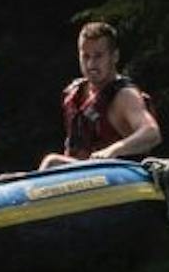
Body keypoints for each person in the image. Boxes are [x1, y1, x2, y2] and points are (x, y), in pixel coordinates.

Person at [44, 20, 162, 167]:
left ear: (114, 56)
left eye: (98, 56)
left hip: (119, 173)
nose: (91, 64)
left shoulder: (125, 96)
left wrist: (112, 151)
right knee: (48, 165)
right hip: (86, 173)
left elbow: (152, 132)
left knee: (52, 161)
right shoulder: (76, 93)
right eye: (86, 56)